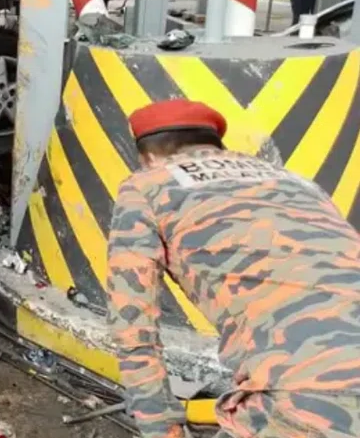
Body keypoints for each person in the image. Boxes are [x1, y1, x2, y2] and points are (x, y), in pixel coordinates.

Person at [107, 98, 360, 438]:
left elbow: (133, 323)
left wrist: (161, 428)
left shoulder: (146, 185)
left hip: (311, 396)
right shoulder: (295, 181)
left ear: (148, 156)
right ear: (217, 144)